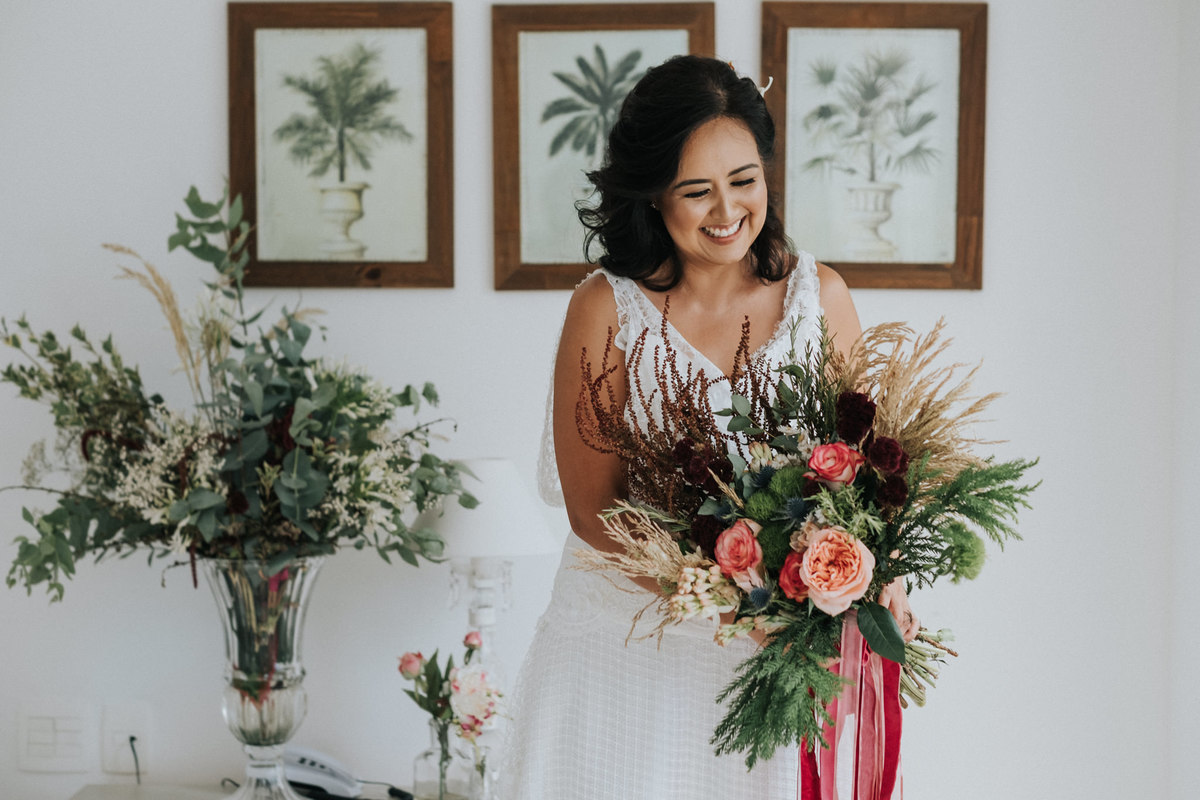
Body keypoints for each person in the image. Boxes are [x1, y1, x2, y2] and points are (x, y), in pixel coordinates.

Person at [499, 55, 918, 799]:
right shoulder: (606, 308)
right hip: (622, 648)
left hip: (772, 666)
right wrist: (739, 604)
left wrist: (873, 583)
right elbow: (596, 512)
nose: (727, 211)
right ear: (654, 194)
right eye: (696, 190)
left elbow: (863, 477)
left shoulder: (819, 298)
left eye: (744, 180)